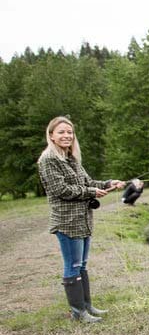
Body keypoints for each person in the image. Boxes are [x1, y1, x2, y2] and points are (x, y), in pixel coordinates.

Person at [37, 117, 125, 323]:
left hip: (83, 220)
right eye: (61, 132)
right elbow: (61, 190)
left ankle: (87, 306)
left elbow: (88, 182)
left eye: (69, 132)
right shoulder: (48, 160)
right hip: (66, 222)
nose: (66, 135)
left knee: (82, 265)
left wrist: (108, 183)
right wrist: (91, 192)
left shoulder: (71, 158)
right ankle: (78, 313)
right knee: (73, 265)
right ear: (51, 136)